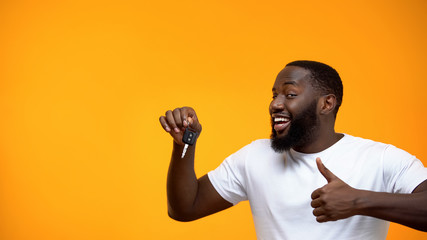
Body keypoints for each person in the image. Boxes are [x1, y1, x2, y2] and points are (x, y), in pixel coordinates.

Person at [158, 60, 427, 239]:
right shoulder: (255, 156)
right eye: (274, 94)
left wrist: (359, 201)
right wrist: (185, 144)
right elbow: (184, 209)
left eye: (290, 94)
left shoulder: (379, 158)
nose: (275, 103)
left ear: (327, 104)